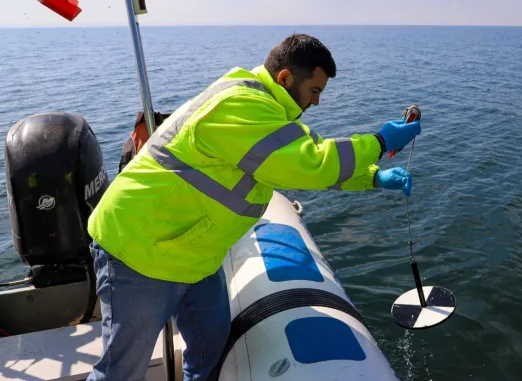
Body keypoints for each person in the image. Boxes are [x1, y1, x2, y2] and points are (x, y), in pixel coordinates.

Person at [85, 33, 421, 381]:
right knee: (120, 372)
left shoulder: (267, 108)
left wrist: (372, 177)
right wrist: (379, 143)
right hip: (140, 249)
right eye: (315, 91)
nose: (317, 102)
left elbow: (305, 150)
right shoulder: (239, 105)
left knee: (209, 348)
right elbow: (307, 164)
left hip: (192, 252)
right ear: (285, 79)